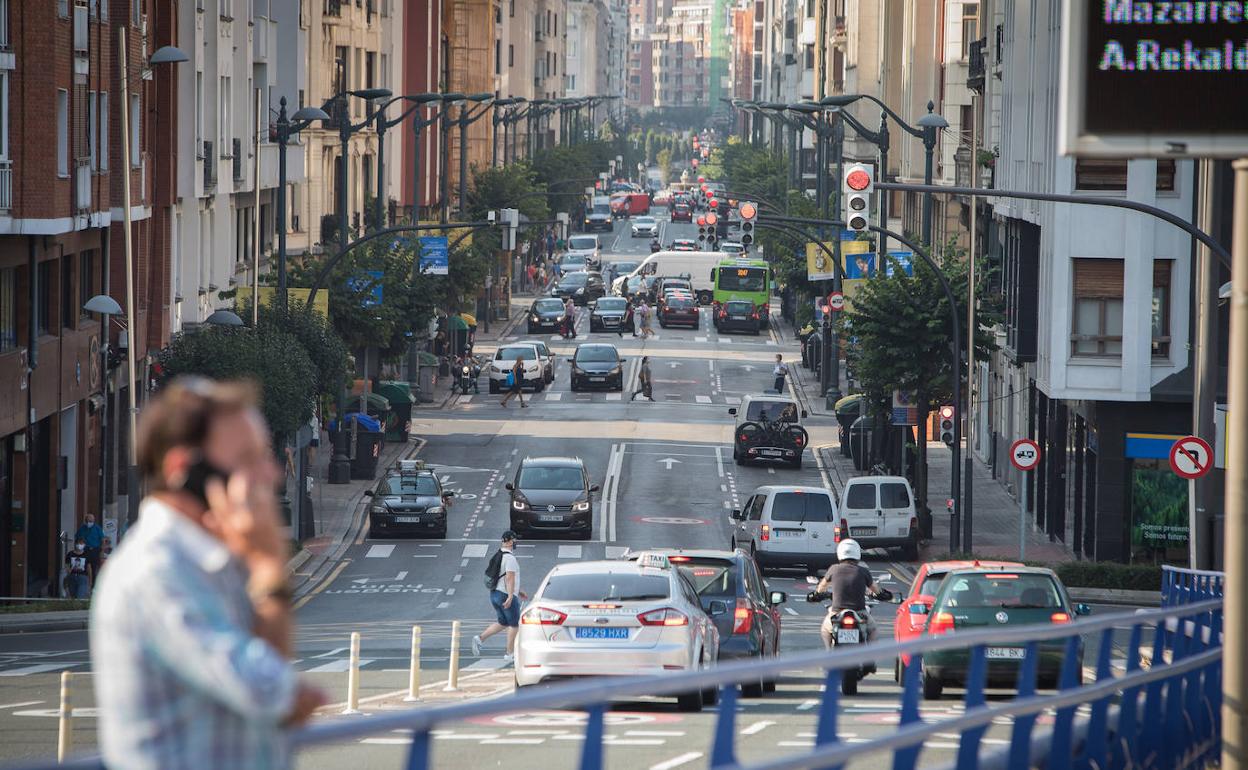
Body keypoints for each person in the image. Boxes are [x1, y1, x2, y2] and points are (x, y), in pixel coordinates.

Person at [90, 377, 326, 770]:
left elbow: (276, 694)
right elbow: (272, 693)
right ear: (185, 470)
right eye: (249, 459)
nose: (272, 474)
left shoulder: (216, 561)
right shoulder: (157, 572)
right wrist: (269, 565)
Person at [814, 539, 892, 648]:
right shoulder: (863, 571)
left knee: (825, 629)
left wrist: (816, 594)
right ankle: (869, 657)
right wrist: (882, 594)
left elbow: (821, 587)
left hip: (836, 612)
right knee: (873, 630)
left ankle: (828, 653)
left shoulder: (834, 569)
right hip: (860, 612)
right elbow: (876, 589)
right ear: (857, 553)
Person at [472, 530, 524, 662]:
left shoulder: (499, 554)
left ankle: (480, 639)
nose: (515, 542)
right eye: (515, 540)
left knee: (503, 622)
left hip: (495, 593)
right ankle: (509, 654)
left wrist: (519, 590)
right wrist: (511, 596)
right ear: (511, 541)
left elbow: (502, 577)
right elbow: (509, 578)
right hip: (505, 595)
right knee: (514, 625)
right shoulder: (510, 558)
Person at [75, 513, 105, 583]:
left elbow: (102, 540)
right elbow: (77, 538)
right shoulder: (82, 528)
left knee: (94, 568)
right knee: (84, 567)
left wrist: (102, 551)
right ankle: (85, 583)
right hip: (85, 550)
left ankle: (93, 585)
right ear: (85, 521)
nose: (89, 523)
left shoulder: (97, 528)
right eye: (88, 521)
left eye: (91, 521)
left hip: (95, 550)